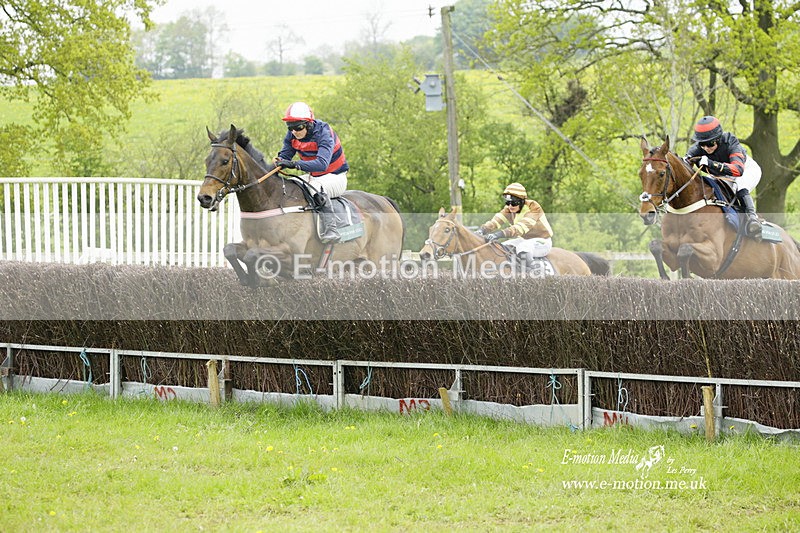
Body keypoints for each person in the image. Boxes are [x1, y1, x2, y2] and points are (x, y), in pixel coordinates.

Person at [274, 102, 349, 243]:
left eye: (298, 127)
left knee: (314, 186)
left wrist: (293, 164)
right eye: (290, 127)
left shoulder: (324, 133)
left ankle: (331, 229)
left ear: (308, 124)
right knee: (290, 186)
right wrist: (276, 164)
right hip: (313, 176)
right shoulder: (292, 135)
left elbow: (322, 164)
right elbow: (285, 156)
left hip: (335, 177)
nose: (294, 131)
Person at [685, 115, 762, 239]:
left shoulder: (731, 141)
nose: (705, 148)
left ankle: (753, 219)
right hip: (723, 176)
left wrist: (711, 164)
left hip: (746, 170)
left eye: (709, 144)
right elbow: (684, 164)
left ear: (718, 139)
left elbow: (738, 170)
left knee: (740, 187)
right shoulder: (697, 148)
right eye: (702, 144)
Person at [475, 182, 554, 259]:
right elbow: (495, 221)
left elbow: (520, 228)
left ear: (522, 201)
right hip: (524, 240)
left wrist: (498, 235)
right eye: (508, 202)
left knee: (523, 248)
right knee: (502, 248)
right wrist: (482, 230)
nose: (510, 206)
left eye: (514, 203)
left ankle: (532, 271)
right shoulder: (508, 209)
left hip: (542, 241)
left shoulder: (533, 208)